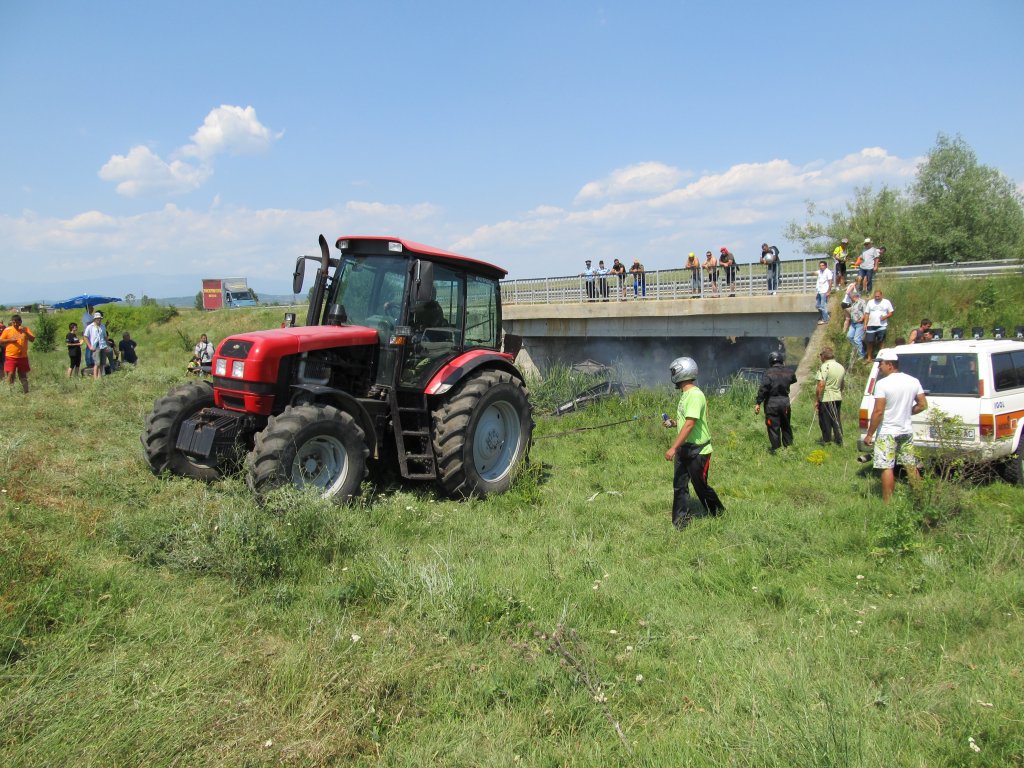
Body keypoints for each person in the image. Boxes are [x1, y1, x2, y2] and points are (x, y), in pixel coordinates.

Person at [663, 356, 725, 529]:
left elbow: (690, 424)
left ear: (681, 372)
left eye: (673, 371)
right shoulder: (686, 394)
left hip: (699, 450)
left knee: (701, 487)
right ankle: (680, 523)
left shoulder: (695, 395)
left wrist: (673, 447)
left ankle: (718, 513)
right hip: (685, 448)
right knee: (680, 486)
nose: (672, 375)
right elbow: (687, 420)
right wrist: (674, 423)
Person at [863, 349, 928, 503]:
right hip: (906, 431)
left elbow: (878, 411)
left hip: (887, 432)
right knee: (910, 465)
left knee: (886, 467)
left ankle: (887, 503)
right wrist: (908, 412)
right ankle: (919, 498)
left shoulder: (883, 384)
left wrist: (870, 434)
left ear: (890, 365)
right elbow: (923, 404)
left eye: (881, 364)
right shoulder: (913, 381)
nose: (879, 367)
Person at [754, 350, 796, 453]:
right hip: (785, 402)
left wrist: (758, 402)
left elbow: (763, 389)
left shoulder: (768, 373)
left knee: (773, 427)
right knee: (786, 425)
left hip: (771, 404)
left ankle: (776, 449)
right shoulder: (789, 371)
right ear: (781, 360)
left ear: (770, 361)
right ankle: (788, 448)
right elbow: (793, 379)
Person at [814, 347, 846, 446]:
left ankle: (826, 440)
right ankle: (839, 440)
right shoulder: (840, 366)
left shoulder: (824, 367)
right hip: (837, 396)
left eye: (820, 355)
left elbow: (821, 384)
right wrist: (839, 392)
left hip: (826, 397)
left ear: (823, 356)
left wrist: (817, 399)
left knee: (825, 420)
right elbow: (842, 383)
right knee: (836, 419)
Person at [0, 314, 35, 393]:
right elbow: (1, 341)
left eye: (17, 322)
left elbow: (32, 339)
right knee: (10, 374)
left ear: (21, 322)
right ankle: (9, 392)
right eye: (14, 322)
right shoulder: (7, 330)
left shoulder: (25, 329)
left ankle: (26, 392)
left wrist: (25, 332)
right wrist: (10, 340)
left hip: (23, 357)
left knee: (23, 375)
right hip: (10, 356)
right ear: (12, 322)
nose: (15, 324)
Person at [864, 289, 894, 362]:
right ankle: (869, 357)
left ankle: (881, 357)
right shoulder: (870, 302)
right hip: (871, 325)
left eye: (878, 296)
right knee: (869, 341)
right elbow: (867, 313)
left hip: (882, 325)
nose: (877, 298)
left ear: (881, 295)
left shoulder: (886, 302)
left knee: (881, 341)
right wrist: (865, 324)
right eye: (875, 296)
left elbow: (891, 312)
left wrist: (885, 317)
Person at [83, 311, 111, 379]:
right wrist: (90, 346)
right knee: (97, 363)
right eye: (98, 318)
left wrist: (107, 344)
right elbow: (85, 337)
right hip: (95, 347)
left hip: (103, 346)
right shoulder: (90, 327)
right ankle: (95, 378)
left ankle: (100, 376)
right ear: (95, 319)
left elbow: (105, 336)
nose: (99, 320)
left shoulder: (103, 326)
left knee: (102, 362)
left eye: (100, 318)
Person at [844, 288, 867, 359]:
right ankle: (857, 349)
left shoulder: (862, 302)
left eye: (851, 297)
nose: (850, 299)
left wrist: (862, 319)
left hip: (860, 323)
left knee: (857, 339)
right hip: (853, 323)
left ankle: (861, 354)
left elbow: (866, 312)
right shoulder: (853, 303)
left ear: (854, 296)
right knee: (849, 336)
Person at [815, 260, 834, 324]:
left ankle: (825, 319)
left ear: (825, 266)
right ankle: (825, 316)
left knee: (823, 306)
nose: (821, 267)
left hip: (824, 291)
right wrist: (812, 273)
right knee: (817, 305)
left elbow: (830, 282)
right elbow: (814, 273)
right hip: (819, 291)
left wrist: (829, 291)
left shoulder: (828, 272)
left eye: (822, 265)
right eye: (820, 265)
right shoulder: (820, 271)